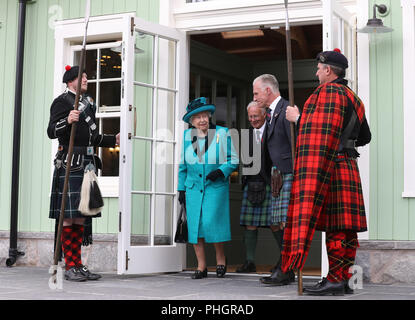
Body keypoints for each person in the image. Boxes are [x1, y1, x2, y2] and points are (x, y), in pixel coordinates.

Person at [282, 49, 371, 295]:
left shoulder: (328, 92)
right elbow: (365, 137)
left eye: (319, 68)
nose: (316, 72)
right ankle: (342, 279)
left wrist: (298, 119)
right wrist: (346, 142)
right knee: (345, 225)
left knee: (335, 225)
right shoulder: (354, 97)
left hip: (332, 165)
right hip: (348, 165)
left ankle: (334, 279)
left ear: (328, 70)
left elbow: (321, 134)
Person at [47, 65, 120, 282]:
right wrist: (66, 120)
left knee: (80, 217)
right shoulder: (62, 102)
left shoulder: (89, 104)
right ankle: (69, 265)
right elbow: (51, 131)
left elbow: (93, 139)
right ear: (70, 81)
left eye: (87, 76)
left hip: (87, 164)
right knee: (69, 217)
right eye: (82, 77)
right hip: (70, 163)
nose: (87, 79)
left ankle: (78, 265)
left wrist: (112, 140)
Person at [177, 97, 238, 279]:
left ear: (210, 116)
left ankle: (220, 260)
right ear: (191, 121)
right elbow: (183, 165)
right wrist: (181, 189)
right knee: (196, 227)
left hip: (215, 186)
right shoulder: (188, 136)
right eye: (197, 117)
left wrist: (220, 171)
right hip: (193, 188)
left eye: (205, 116)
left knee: (212, 224)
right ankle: (201, 266)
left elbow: (233, 159)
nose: (202, 120)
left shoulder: (222, 133)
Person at [251, 74, 295, 285]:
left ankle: (286, 269)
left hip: (288, 173)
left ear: (268, 91)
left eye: (256, 93)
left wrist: (296, 175)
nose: (255, 97)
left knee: (285, 223)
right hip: (276, 175)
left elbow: (296, 146)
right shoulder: (271, 113)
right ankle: (285, 264)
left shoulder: (286, 110)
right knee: (276, 223)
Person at [236, 101, 272, 273]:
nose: (252, 119)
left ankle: (285, 263)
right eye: (250, 116)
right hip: (251, 183)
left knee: (276, 224)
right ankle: (249, 262)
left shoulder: (273, 130)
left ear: (264, 114)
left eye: (255, 116)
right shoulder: (248, 134)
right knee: (250, 224)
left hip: (272, 183)